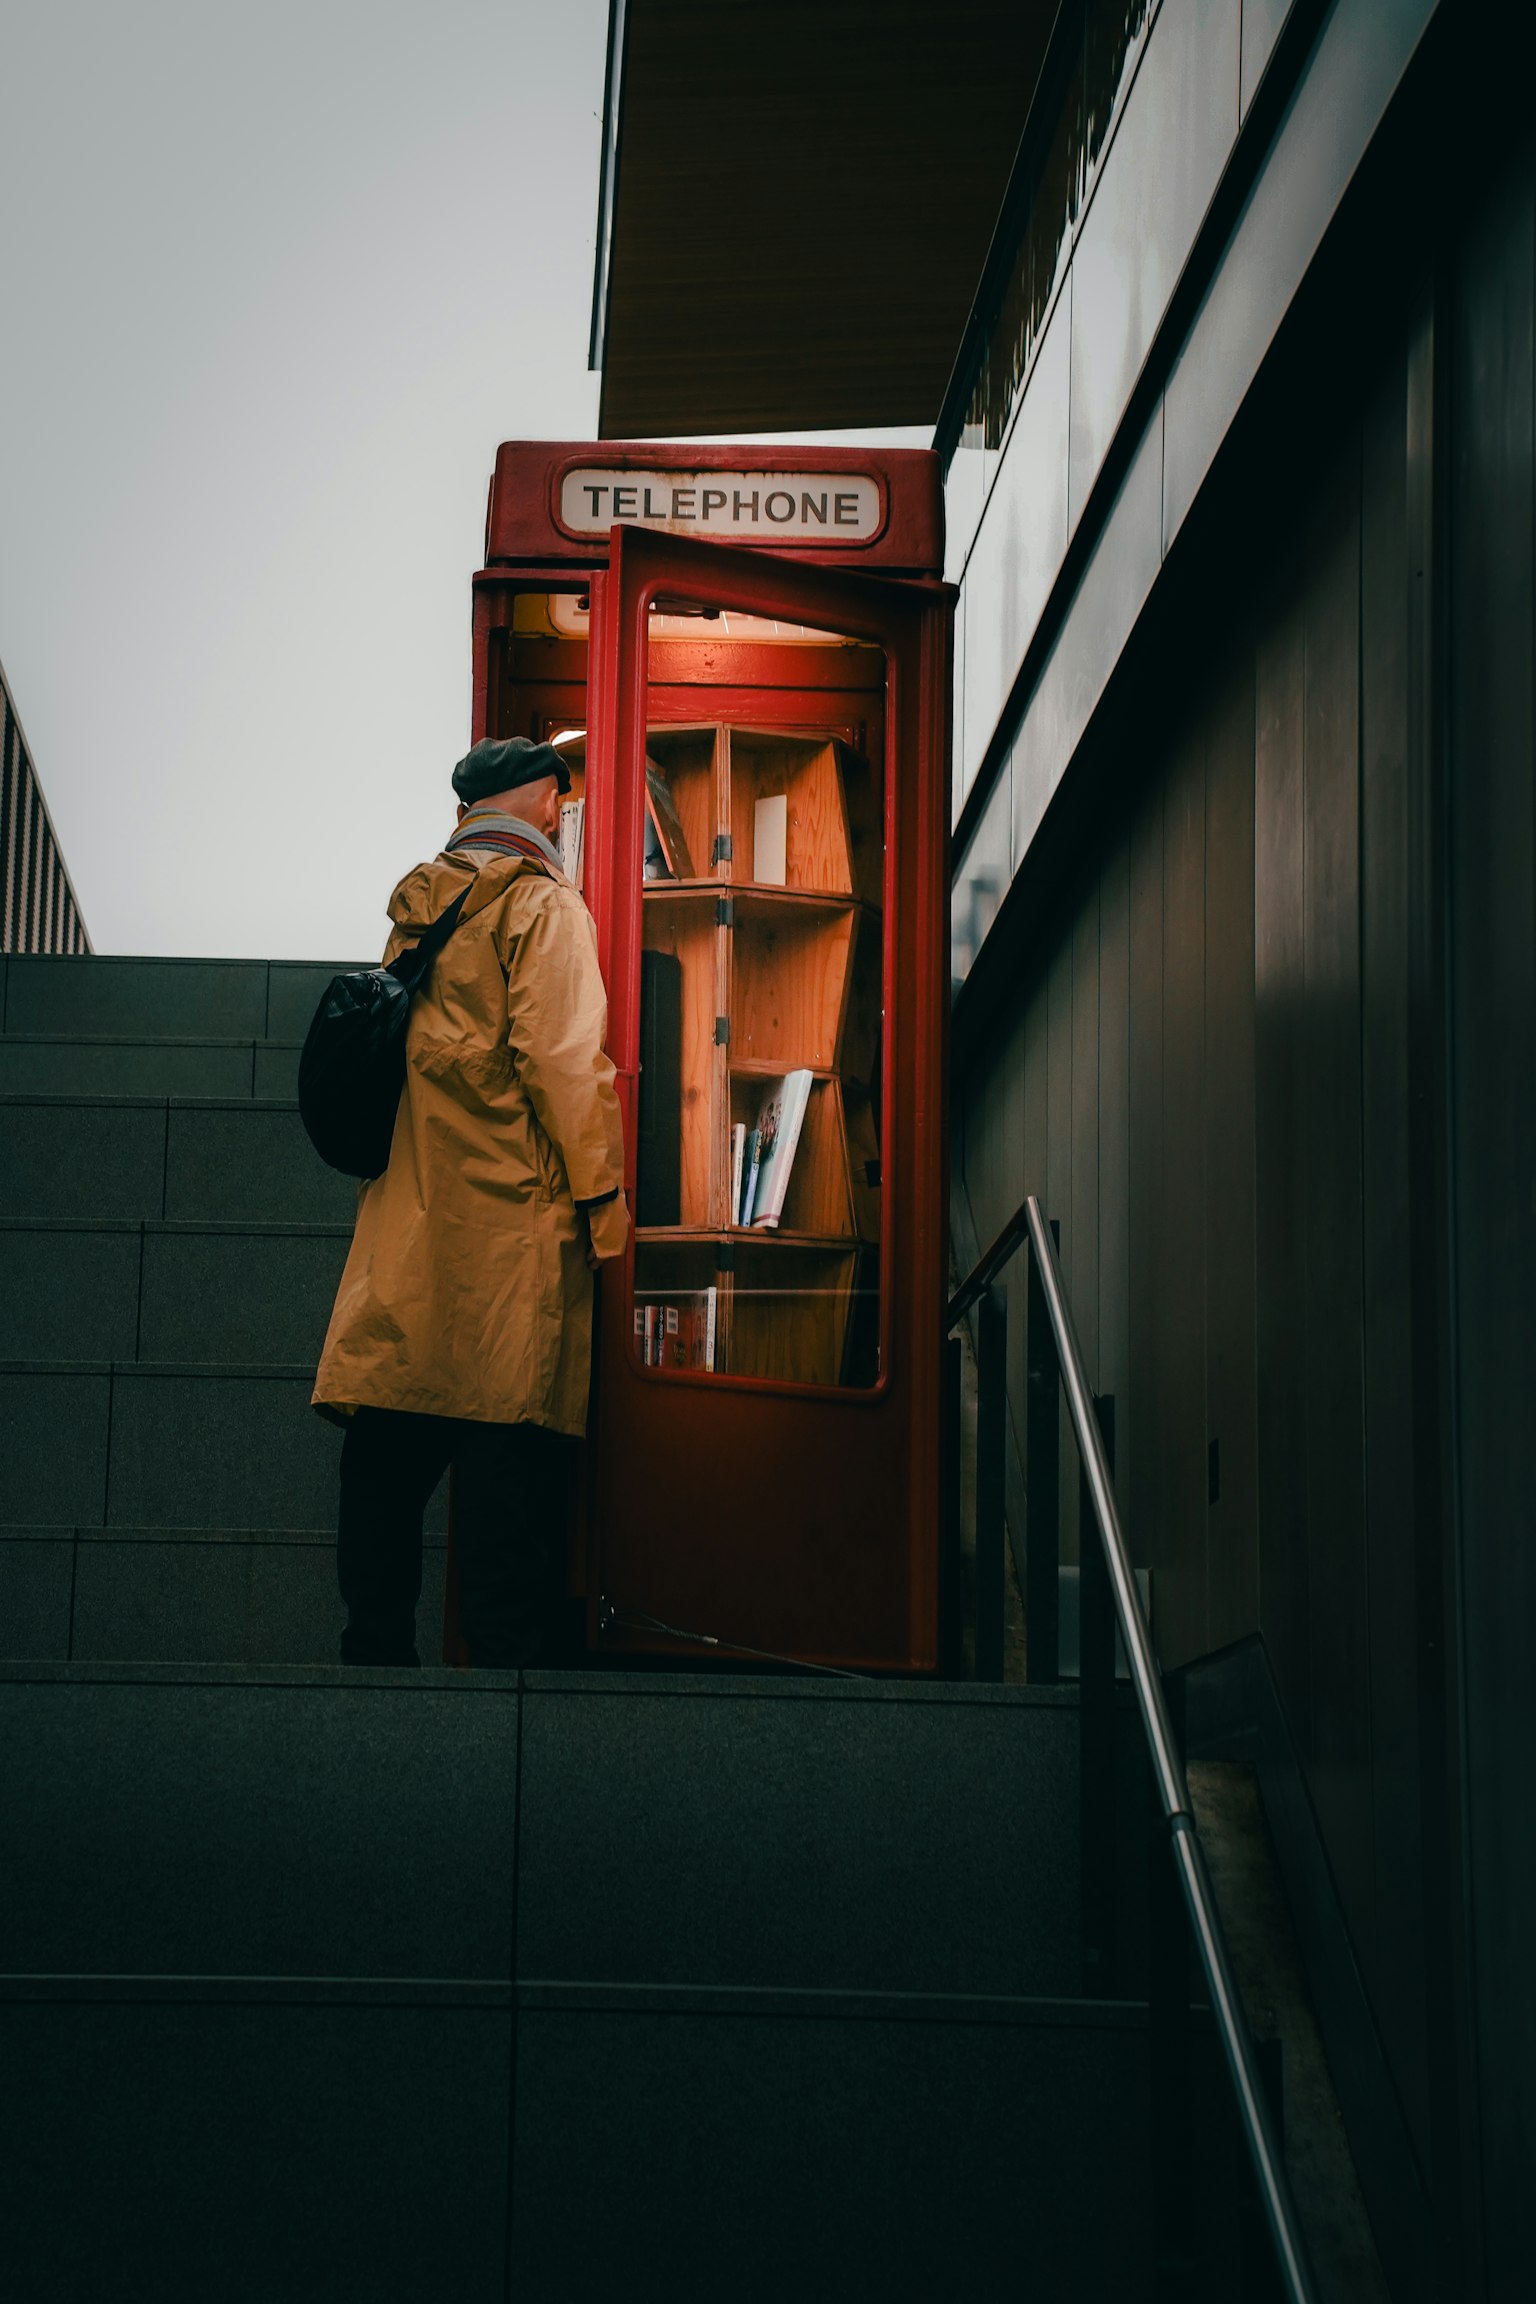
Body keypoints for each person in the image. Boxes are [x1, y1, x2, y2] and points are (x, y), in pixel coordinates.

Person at [312, 735, 628, 1667]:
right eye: (560, 805)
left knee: (388, 1447)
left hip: (412, 1229)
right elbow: (565, 1063)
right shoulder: (542, 905)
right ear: (542, 808)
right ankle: (502, 1707)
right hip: (511, 1235)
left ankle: (372, 1655)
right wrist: (603, 1200)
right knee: (507, 1474)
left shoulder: (416, 915)